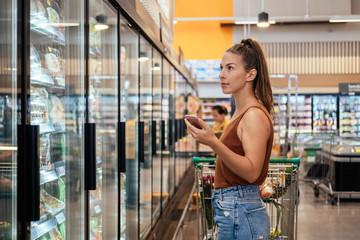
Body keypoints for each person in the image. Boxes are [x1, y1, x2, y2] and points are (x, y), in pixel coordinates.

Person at [185, 38, 274, 240]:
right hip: (234, 208)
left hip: (240, 208)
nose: (221, 74)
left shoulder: (253, 115)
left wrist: (213, 142)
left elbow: (252, 172)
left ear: (250, 74)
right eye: (221, 67)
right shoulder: (241, 112)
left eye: (230, 68)